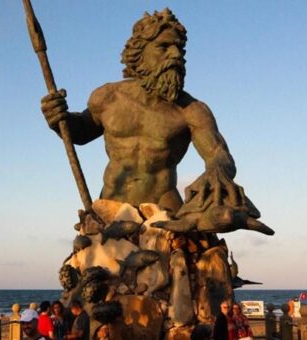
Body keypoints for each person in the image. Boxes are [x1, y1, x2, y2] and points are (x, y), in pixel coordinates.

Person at [40, 9, 270, 237]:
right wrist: (59, 119)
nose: (176, 55)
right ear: (140, 52)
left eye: (180, 48)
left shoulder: (192, 110)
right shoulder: (108, 97)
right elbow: (80, 133)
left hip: (165, 210)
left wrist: (217, 170)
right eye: (164, 47)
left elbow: (218, 154)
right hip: (110, 208)